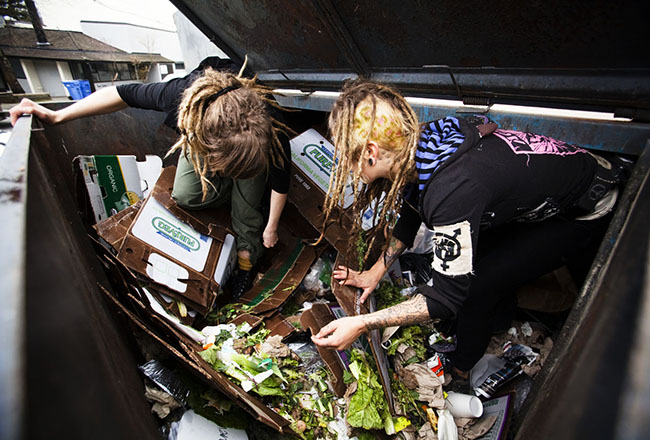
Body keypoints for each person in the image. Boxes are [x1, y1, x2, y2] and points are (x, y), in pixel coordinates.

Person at [311, 79, 626, 389]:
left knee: (477, 286)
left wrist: (362, 323)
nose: (351, 169)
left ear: (370, 151)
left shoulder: (451, 192)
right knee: (480, 270)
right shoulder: (425, 143)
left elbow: (447, 298)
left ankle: (461, 370)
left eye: (348, 158)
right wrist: (375, 271)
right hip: (553, 190)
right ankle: (497, 319)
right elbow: (413, 204)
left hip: (587, 209)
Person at [10, 57, 292, 298]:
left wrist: (271, 227)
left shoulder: (266, 123)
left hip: (244, 152)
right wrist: (58, 117)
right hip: (210, 138)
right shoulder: (181, 96)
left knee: (246, 203)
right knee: (186, 195)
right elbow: (122, 93)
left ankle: (245, 257)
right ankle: (228, 179)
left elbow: (280, 179)